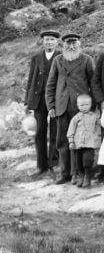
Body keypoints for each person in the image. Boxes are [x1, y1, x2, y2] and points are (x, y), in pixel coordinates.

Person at [46, 32, 94, 185]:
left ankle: (78, 173)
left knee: (79, 141)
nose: (71, 46)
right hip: (62, 106)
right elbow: (51, 84)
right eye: (68, 43)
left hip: (80, 107)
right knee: (62, 141)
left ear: (80, 44)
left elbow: (94, 83)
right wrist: (51, 105)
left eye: (74, 43)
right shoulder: (57, 60)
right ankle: (64, 172)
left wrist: (95, 105)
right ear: (63, 45)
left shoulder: (87, 60)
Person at [25, 30, 60, 176]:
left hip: (55, 99)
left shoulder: (60, 57)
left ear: (57, 42)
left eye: (52, 40)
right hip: (38, 99)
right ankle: (41, 165)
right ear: (43, 41)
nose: (49, 42)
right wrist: (28, 101)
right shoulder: (36, 58)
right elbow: (31, 79)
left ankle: (54, 163)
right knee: (39, 132)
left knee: (55, 130)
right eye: (46, 40)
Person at [66, 93, 101, 189]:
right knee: (78, 162)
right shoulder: (76, 118)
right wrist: (71, 141)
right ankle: (81, 176)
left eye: (87, 105)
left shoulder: (94, 116)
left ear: (90, 105)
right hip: (78, 143)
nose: (84, 107)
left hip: (90, 143)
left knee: (87, 160)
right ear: (77, 106)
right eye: (81, 105)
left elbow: (98, 128)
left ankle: (87, 177)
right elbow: (71, 130)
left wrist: (97, 141)